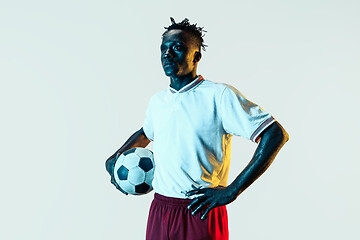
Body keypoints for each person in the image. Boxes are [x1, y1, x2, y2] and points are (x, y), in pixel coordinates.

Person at [105, 17, 289, 240]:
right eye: (163, 49)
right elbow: (146, 133)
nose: (167, 54)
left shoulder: (219, 95)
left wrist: (234, 189)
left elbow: (275, 134)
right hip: (161, 208)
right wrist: (116, 157)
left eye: (177, 48)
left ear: (196, 56)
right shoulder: (158, 101)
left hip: (200, 210)